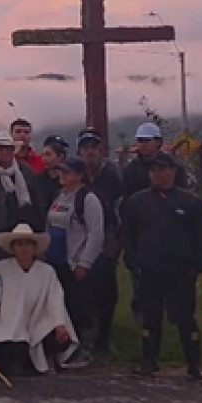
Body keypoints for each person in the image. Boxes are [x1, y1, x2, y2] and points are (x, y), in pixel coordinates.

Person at [121, 152, 202, 380]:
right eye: (153, 170)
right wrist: (132, 260)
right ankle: (149, 361)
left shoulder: (191, 202)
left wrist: (200, 264)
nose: (157, 175)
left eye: (162, 170)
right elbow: (128, 234)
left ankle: (193, 363)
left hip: (181, 271)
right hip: (149, 271)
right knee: (150, 318)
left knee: (186, 319)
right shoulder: (137, 202)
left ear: (173, 171)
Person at [0, 224, 79, 375]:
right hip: (9, 325)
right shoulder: (1, 268)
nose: (24, 249)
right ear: (13, 248)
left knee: (57, 339)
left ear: (34, 247)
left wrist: (59, 324)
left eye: (28, 244)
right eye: (19, 244)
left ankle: (48, 357)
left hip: (38, 323)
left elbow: (55, 299)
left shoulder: (47, 271)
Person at [43, 157, 104, 368]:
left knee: (82, 307)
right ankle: (64, 350)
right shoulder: (59, 196)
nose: (62, 175)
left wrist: (85, 262)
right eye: (61, 171)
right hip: (55, 260)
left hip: (75, 261)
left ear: (79, 175)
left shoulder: (88, 199)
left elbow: (96, 234)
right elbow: (49, 225)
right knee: (63, 307)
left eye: (67, 172)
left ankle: (86, 350)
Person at [76, 129, 125, 355]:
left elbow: (118, 207)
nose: (90, 152)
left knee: (108, 292)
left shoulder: (112, 174)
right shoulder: (75, 174)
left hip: (107, 237)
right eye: (85, 148)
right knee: (83, 292)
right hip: (80, 238)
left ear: (100, 150)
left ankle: (104, 338)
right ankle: (86, 337)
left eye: (93, 148)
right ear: (79, 151)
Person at [0, 131, 41, 230]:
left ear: (13, 150)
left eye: (8, 149)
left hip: (23, 228)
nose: (5, 152)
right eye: (1, 149)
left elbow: (37, 200)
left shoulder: (26, 171)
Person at [122, 122, 190, 198]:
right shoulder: (131, 169)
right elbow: (127, 199)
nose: (143, 144)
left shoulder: (173, 166)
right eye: (140, 140)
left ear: (158, 142)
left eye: (147, 140)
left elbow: (183, 196)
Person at [35, 136, 68, 218]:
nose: (44, 159)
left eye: (48, 155)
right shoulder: (37, 181)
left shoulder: (70, 180)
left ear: (61, 156)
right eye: (43, 155)